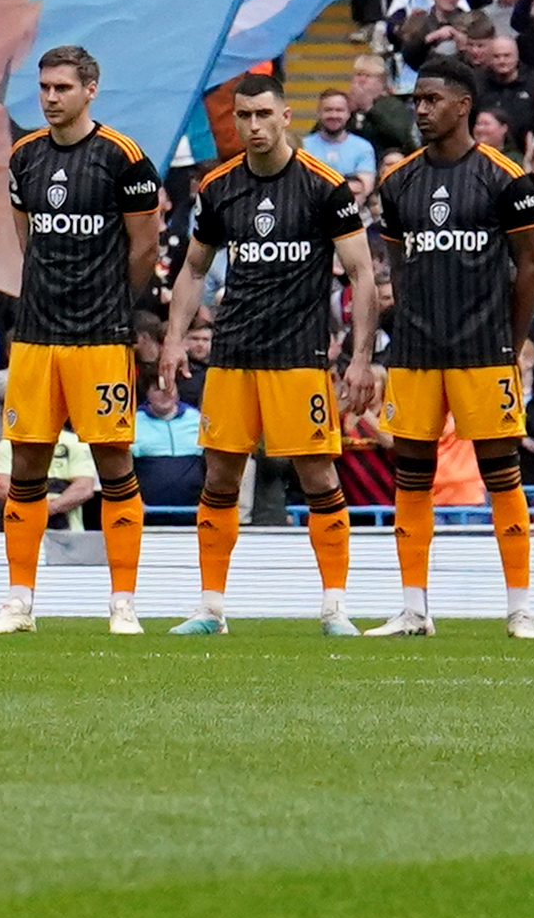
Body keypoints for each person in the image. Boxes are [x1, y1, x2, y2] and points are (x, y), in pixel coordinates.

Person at [151, 79, 377, 637]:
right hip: (232, 355)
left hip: (299, 357)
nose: (252, 126)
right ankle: (210, 608)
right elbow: (196, 270)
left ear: (286, 115)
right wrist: (175, 338)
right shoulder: (220, 186)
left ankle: (334, 608)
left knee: (320, 477)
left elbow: (362, 272)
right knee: (221, 476)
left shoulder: (324, 188)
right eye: (243, 115)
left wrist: (358, 356)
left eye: (263, 115)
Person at [0, 43, 159, 636]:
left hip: (101, 337)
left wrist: (110, 303)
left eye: (63, 88)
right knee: (27, 461)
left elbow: (145, 249)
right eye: (45, 88)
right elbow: (27, 239)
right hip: (35, 336)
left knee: (113, 462)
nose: (51, 98)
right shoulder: (24, 156)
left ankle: (124, 601)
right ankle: (18, 601)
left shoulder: (125, 159)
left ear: (91, 89)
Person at [366, 57, 534, 640]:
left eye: (431, 99)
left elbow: (530, 269)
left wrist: (510, 345)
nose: (419, 109)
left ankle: (519, 608)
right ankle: (414, 608)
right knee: (411, 478)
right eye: (416, 100)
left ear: (462, 105)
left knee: (502, 476)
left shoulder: (504, 177)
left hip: (481, 350)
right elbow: (397, 267)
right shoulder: (398, 183)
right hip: (415, 352)